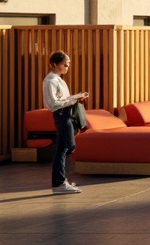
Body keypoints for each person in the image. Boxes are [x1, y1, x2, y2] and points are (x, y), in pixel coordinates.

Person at [43, 50, 88, 194]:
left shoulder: (59, 79)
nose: (67, 68)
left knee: (63, 149)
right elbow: (53, 103)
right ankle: (60, 181)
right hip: (61, 115)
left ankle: (60, 181)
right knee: (68, 147)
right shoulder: (50, 81)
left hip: (66, 114)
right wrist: (73, 99)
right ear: (55, 64)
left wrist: (76, 97)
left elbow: (62, 99)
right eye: (65, 65)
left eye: (68, 65)